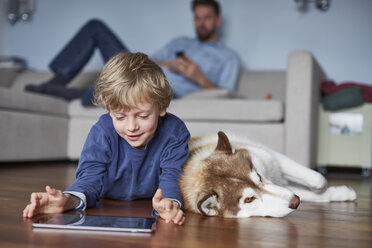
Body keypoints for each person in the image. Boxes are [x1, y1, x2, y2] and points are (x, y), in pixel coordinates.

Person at [23, 52, 190, 225]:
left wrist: (169, 204)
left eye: (142, 116)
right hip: (107, 200)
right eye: (120, 117)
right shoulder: (102, 130)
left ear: (161, 106)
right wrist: (67, 200)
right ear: (109, 110)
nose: (131, 127)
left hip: (153, 200)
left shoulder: (175, 132)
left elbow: (172, 177)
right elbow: (89, 179)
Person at [25, 0, 240, 105]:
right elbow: (148, 60)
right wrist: (169, 65)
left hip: (163, 91)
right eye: (198, 17)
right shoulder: (180, 42)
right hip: (139, 71)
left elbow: (226, 95)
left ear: (217, 20)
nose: (201, 23)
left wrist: (198, 77)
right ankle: (54, 82)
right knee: (95, 27)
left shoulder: (228, 58)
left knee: (116, 92)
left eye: (207, 17)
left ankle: (49, 91)